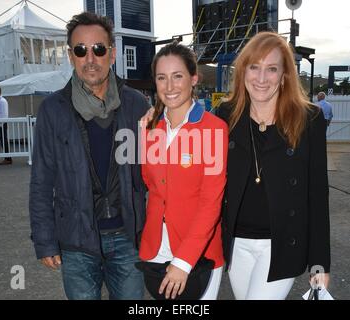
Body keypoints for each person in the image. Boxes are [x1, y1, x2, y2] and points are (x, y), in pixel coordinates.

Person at [29, 12, 149, 300]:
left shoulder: (135, 103)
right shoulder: (52, 109)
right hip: (76, 241)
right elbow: (41, 181)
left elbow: (152, 174)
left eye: (98, 49)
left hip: (128, 236)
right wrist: (45, 242)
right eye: (81, 50)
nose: (90, 58)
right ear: (71, 56)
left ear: (112, 54)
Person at [215, 31, 330, 300]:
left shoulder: (309, 119)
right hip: (236, 244)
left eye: (272, 69)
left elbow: (317, 194)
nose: (262, 78)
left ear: (284, 75)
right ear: (243, 72)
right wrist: (157, 117)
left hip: (281, 245)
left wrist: (320, 262)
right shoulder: (226, 115)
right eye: (254, 67)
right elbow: (191, 140)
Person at [139, 42, 228, 300]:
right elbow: (151, 185)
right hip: (156, 248)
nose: (169, 87)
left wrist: (184, 261)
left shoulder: (213, 129)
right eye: (161, 78)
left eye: (178, 76)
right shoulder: (148, 128)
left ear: (193, 78)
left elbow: (211, 203)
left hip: (197, 254)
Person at [0, 86, 12, 165]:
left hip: (2, 123)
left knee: (4, 141)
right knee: (3, 141)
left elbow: (4, 114)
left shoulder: (2, 101)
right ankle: (7, 158)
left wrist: (1, 124)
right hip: (1, 123)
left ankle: (8, 158)